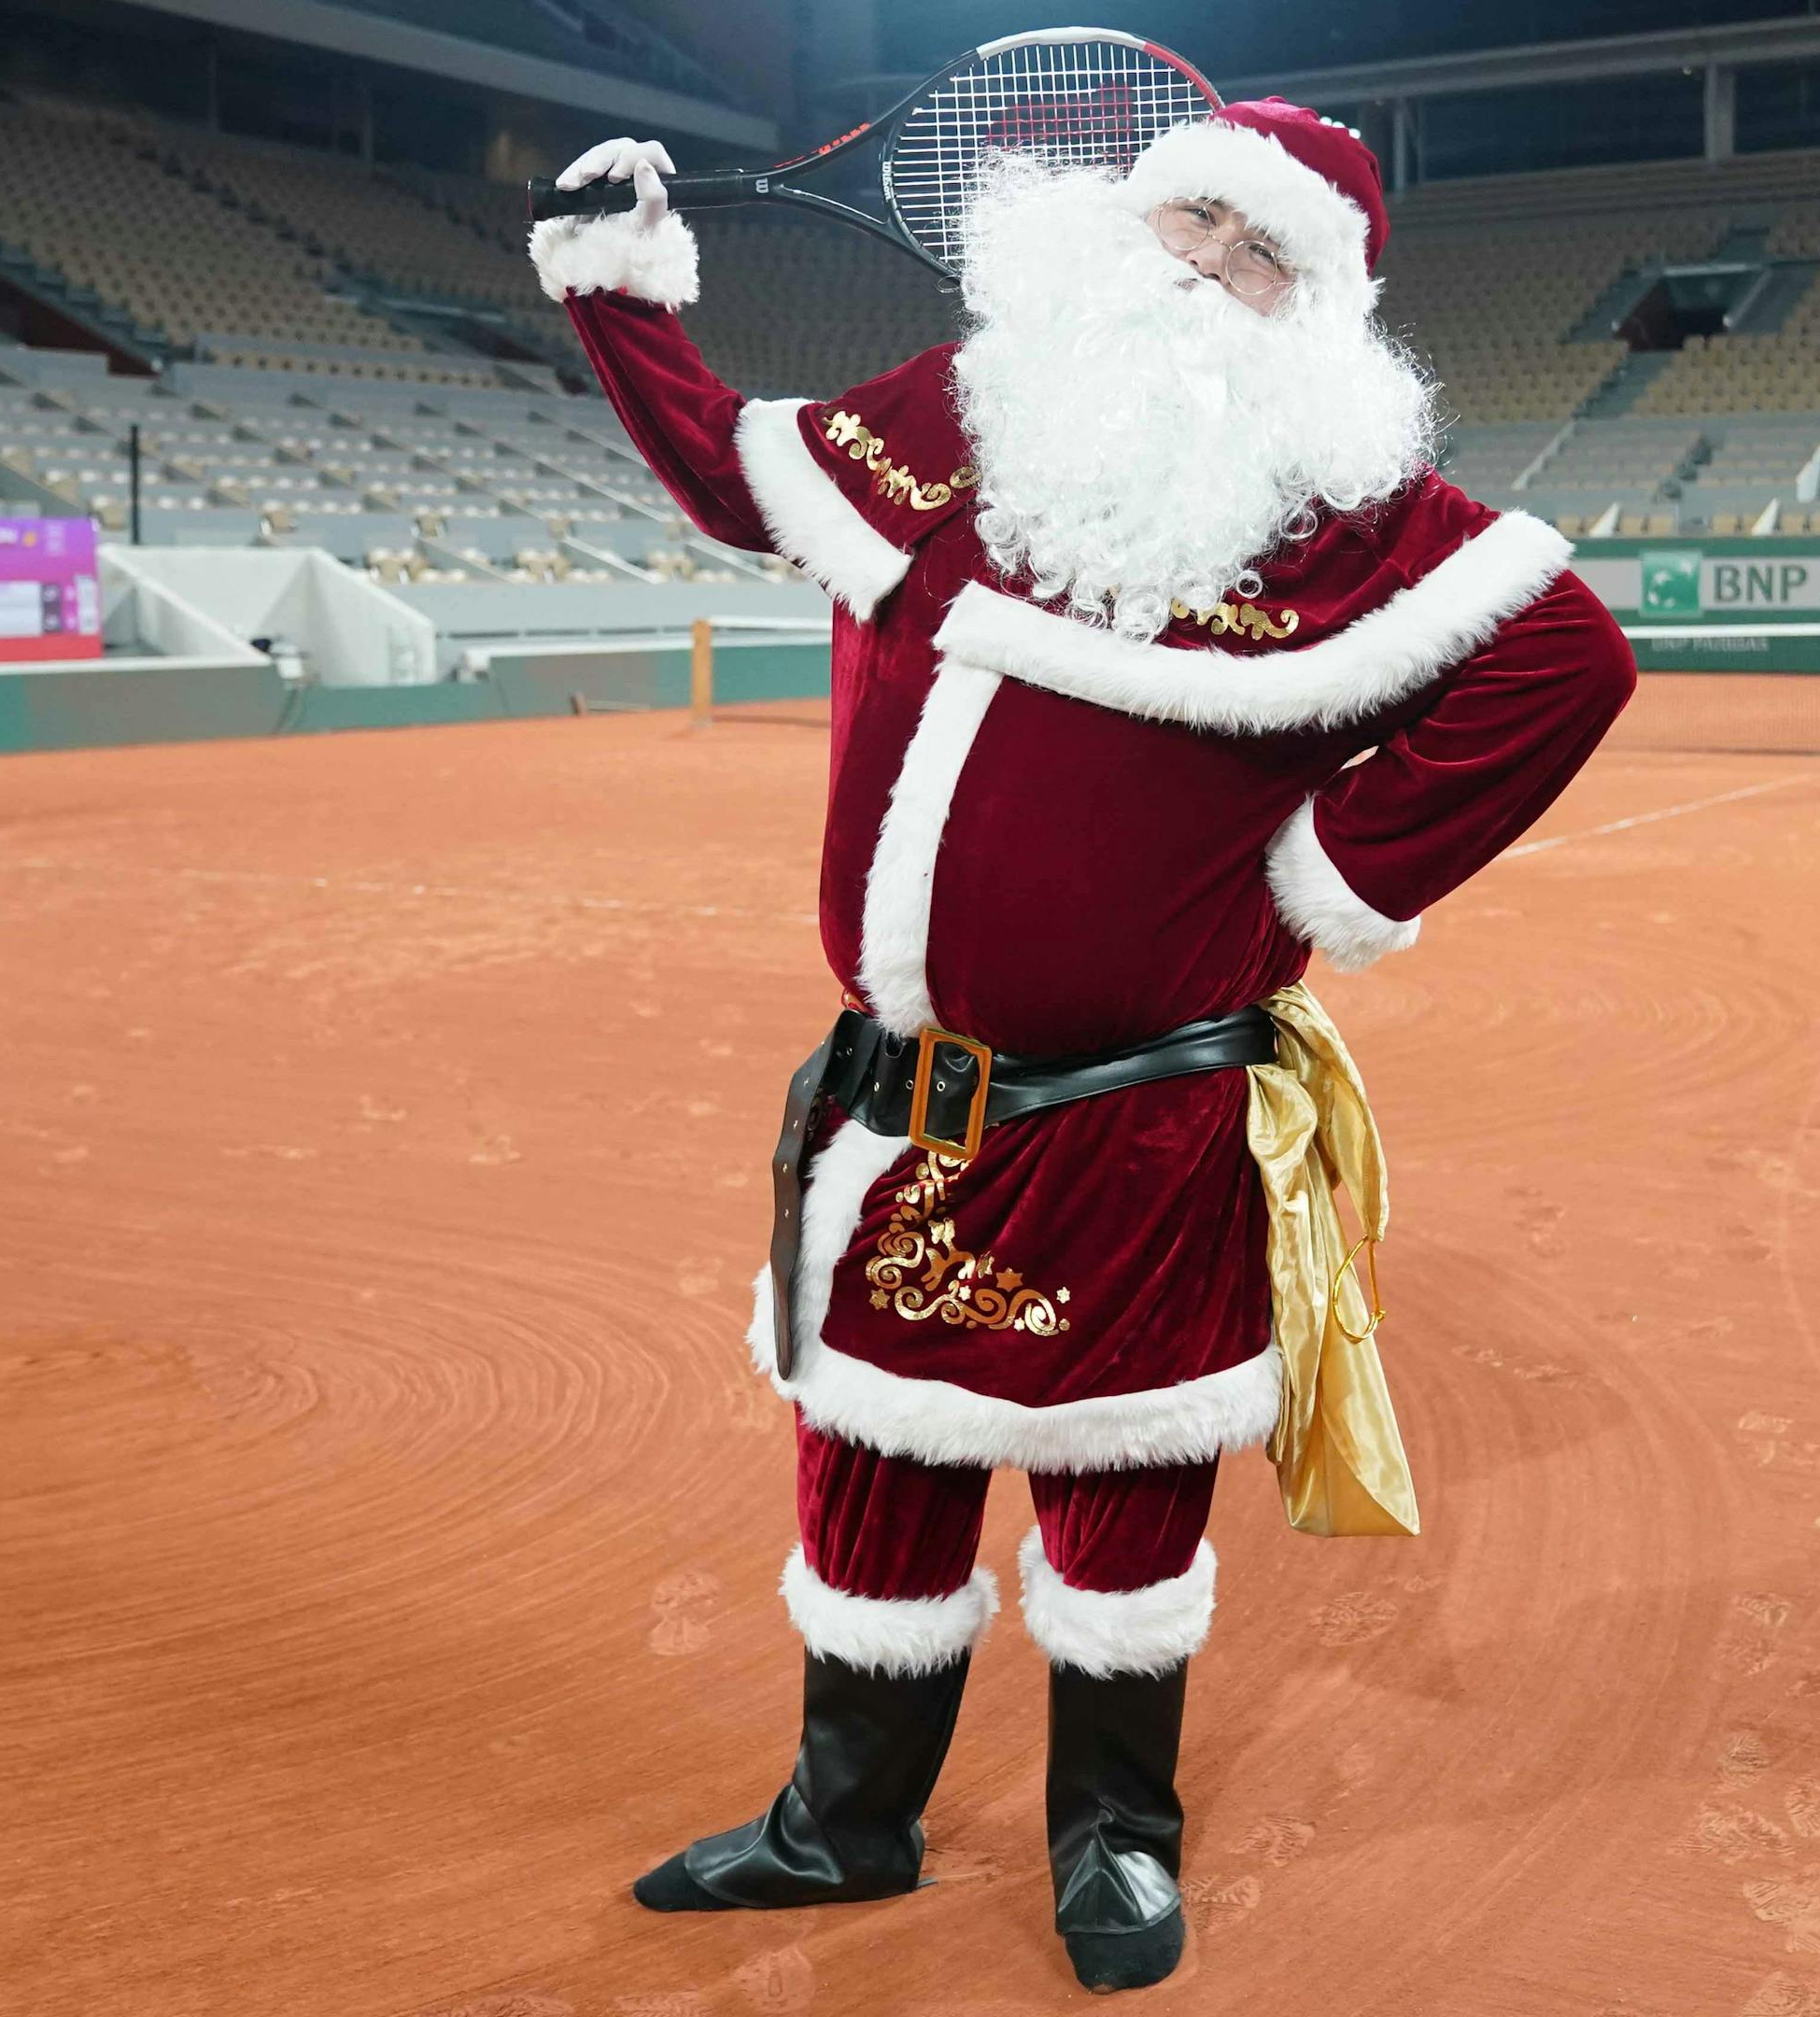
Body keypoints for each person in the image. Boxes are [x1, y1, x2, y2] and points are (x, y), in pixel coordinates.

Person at [529, 102, 1635, 1993]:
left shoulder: (1351, 517)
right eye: (1194, 215)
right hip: (899, 1110)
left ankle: (1116, 1838)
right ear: (1117, 224)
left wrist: (1319, 878)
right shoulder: (966, 415)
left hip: (1143, 1122)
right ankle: (840, 1822)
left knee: (1126, 1492)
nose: (1211, 265)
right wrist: (619, 291)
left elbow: (1570, 663)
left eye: (1263, 250)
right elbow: (740, 474)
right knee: (874, 1469)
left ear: (1324, 316)